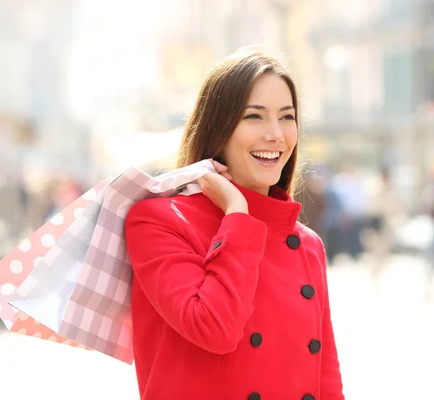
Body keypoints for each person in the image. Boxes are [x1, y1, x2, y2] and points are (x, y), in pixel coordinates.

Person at [124, 51, 344, 400]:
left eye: (287, 117)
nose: (275, 135)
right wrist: (237, 215)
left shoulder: (306, 244)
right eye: (254, 117)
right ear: (218, 128)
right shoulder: (158, 221)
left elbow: (327, 382)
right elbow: (213, 328)